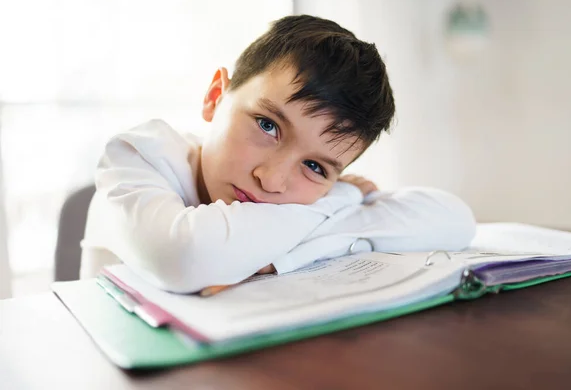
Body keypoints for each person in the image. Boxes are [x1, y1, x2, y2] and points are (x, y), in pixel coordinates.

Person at [80, 15, 476, 293]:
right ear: (216, 96)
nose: (271, 181)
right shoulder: (139, 154)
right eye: (268, 125)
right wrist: (340, 199)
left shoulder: (324, 194)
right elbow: (185, 256)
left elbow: (454, 220)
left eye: (315, 166)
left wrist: (328, 205)